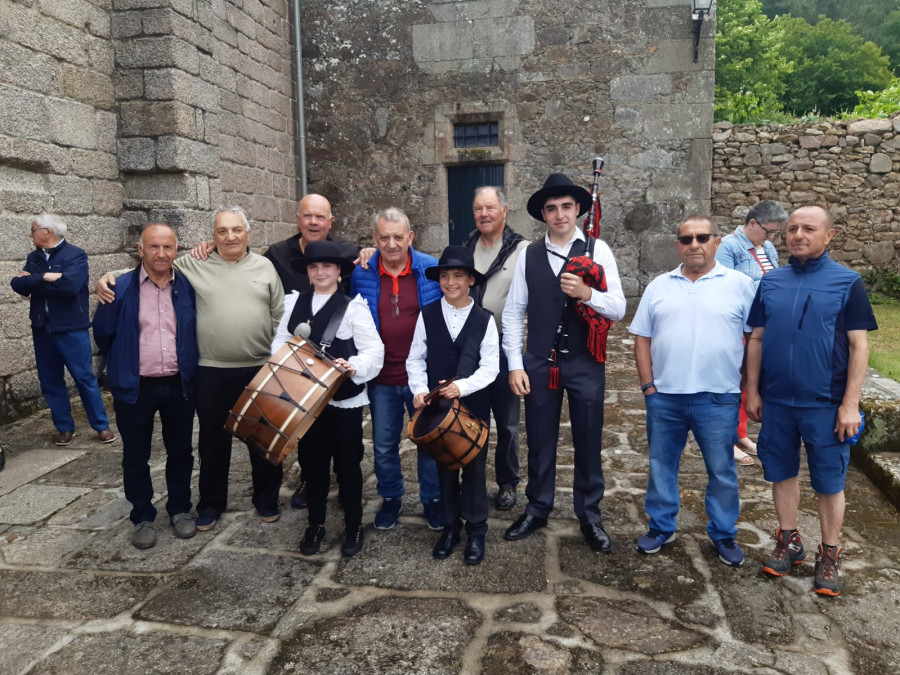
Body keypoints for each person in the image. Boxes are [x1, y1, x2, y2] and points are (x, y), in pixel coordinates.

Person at [96, 206, 285, 532]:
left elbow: (279, 314)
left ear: (247, 233)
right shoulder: (192, 265)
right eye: (222, 231)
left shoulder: (265, 267)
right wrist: (105, 277)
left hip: (257, 367)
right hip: (209, 369)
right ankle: (210, 504)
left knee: (262, 439)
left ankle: (267, 499)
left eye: (236, 230)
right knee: (212, 442)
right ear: (211, 238)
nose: (230, 236)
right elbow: (149, 268)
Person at [746, 205, 877, 597]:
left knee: (829, 482)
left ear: (829, 236)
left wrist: (850, 404)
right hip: (778, 403)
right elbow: (756, 338)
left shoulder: (847, 282)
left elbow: (859, 345)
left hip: (825, 403)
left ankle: (830, 553)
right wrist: (752, 390)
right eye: (793, 229)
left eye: (809, 229)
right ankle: (789, 541)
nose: (798, 235)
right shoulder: (771, 282)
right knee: (781, 473)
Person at [501, 174, 626, 552]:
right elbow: (512, 312)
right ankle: (537, 507)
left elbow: (618, 307)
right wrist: (515, 364)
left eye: (566, 207)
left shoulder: (597, 249)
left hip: (586, 362)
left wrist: (587, 293)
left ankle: (589, 515)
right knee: (539, 440)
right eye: (551, 208)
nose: (559, 214)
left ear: (577, 210)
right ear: (543, 214)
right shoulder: (528, 254)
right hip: (539, 362)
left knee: (588, 440)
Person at [629, 216, 757, 567]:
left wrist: (745, 384)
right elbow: (642, 337)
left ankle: (723, 531)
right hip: (666, 397)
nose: (694, 244)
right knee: (661, 466)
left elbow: (754, 339)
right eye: (687, 239)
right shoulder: (659, 285)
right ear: (678, 245)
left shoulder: (740, 284)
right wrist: (649, 386)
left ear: (717, 242)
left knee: (721, 469)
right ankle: (661, 526)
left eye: (702, 237)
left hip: (718, 397)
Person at [93, 224, 199, 549]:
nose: (161, 253)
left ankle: (180, 509)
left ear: (176, 249)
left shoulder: (188, 287)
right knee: (135, 456)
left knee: (180, 451)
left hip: (178, 385)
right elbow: (102, 333)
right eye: (154, 247)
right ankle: (142, 515)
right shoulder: (118, 287)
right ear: (141, 249)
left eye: (168, 247)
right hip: (135, 387)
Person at [276, 241, 383, 558]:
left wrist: (355, 366)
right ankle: (316, 524)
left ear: (338, 272)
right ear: (307, 272)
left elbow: (374, 350)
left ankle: (353, 525)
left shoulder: (352, 307)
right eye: (313, 266)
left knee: (349, 465)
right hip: (307, 400)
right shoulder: (294, 302)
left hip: (343, 400)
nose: (320, 272)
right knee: (313, 464)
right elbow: (279, 344)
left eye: (327, 266)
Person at [350, 208, 443, 531]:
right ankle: (391, 499)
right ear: (374, 239)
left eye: (398, 237)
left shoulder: (431, 269)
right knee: (384, 445)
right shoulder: (361, 272)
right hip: (382, 379)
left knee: (428, 441)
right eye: (384, 237)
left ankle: (432, 500)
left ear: (410, 238)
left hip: (422, 379)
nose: (391, 244)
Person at [408, 246, 500, 565]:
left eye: (458, 275)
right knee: (445, 467)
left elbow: (490, 367)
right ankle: (450, 527)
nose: (450, 282)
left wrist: (461, 387)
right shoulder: (428, 315)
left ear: (470, 280)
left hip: (473, 405)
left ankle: (476, 530)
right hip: (437, 410)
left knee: (473, 469)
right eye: (445, 275)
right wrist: (420, 390)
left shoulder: (485, 320)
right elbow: (415, 359)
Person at [11, 214, 116, 446]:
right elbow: (17, 285)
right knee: (50, 381)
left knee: (84, 377)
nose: (30, 234)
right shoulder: (34, 258)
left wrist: (35, 282)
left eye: (33, 229)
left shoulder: (75, 255)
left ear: (47, 232)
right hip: (42, 328)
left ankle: (101, 426)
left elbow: (69, 287)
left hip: (71, 328)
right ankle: (64, 428)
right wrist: (46, 277)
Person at [461, 187, 529, 510]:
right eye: (478, 209)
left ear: (505, 210)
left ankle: (507, 482)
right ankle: (471, 480)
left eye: (490, 208)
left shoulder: (523, 251)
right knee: (471, 418)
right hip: (470, 349)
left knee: (507, 423)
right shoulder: (464, 249)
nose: (484, 214)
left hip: (504, 348)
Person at [716, 200, 788, 466]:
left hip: (763, 324)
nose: (772, 238)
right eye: (769, 231)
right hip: (738, 326)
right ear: (753, 223)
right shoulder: (728, 246)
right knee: (733, 382)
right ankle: (726, 440)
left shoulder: (766, 247)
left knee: (750, 381)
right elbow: (724, 287)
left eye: (776, 233)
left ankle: (741, 434)